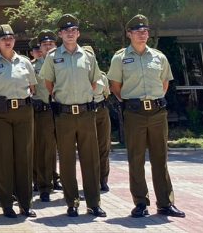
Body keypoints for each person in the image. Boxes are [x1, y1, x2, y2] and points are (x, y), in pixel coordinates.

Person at [108, 15, 185, 219]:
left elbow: (164, 84)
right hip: (134, 113)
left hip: (158, 112)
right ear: (129, 34)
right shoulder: (120, 58)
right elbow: (115, 86)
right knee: (136, 158)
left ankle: (165, 203)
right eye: (138, 31)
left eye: (145, 31)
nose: (143, 34)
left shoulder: (159, 57)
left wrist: (153, 100)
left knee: (160, 158)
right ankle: (140, 203)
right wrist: (132, 102)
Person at [41, 15, 105, 218]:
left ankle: (94, 203)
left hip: (86, 113)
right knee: (67, 161)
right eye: (66, 30)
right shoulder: (52, 56)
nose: (70, 33)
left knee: (91, 159)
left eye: (74, 30)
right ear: (60, 34)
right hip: (65, 115)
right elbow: (49, 84)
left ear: (78, 33)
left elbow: (94, 82)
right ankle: (72, 203)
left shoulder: (88, 56)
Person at [0, 24, 36, 218]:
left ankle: (25, 204)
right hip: (0, 113)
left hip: (23, 112)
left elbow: (33, 87)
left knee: (24, 158)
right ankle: (7, 204)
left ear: (15, 40)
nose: (8, 41)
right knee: (3, 159)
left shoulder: (25, 62)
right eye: (3, 39)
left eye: (10, 37)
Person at [29, 32, 57, 203]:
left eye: (51, 43)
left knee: (64, 150)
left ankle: (63, 183)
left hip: (62, 110)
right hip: (43, 111)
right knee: (43, 149)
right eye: (45, 44)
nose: (48, 46)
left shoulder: (62, 63)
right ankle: (44, 185)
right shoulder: (32, 66)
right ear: (39, 47)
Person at [94, 70, 112, 191]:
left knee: (104, 146)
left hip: (101, 110)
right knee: (89, 150)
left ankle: (103, 180)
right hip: (85, 111)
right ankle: (92, 180)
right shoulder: (78, 74)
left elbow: (106, 94)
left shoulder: (102, 76)